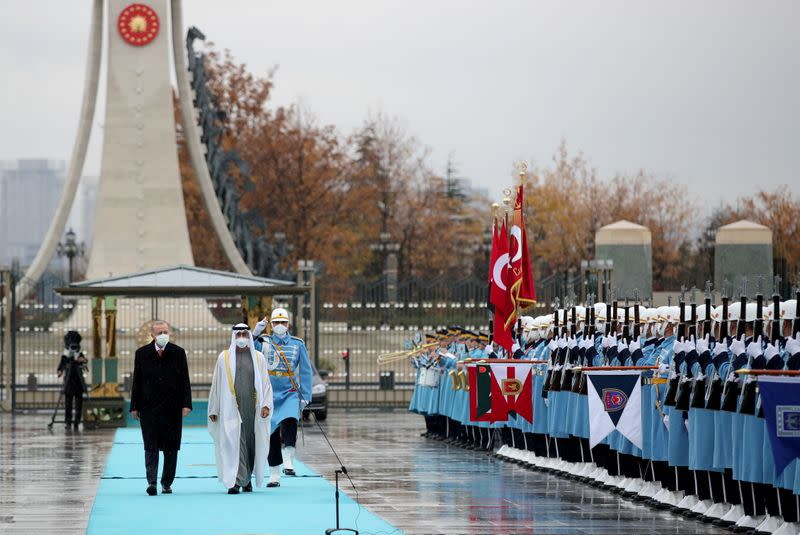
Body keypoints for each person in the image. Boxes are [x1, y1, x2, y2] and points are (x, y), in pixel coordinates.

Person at [129, 320, 193, 496]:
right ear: (152, 335)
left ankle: (166, 482)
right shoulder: (141, 354)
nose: (163, 335)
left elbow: (185, 380)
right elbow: (137, 382)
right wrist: (134, 406)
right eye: (159, 333)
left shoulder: (178, 353)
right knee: (151, 446)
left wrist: (187, 403)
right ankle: (152, 481)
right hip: (148, 408)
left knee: (171, 447)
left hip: (172, 408)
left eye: (165, 332)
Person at [208, 324, 273, 494]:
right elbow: (216, 384)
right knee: (235, 440)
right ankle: (237, 480)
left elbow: (266, 384)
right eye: (239, 334)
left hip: (253, 407)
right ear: (234, 336)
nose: (242, 337)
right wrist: (214, 409)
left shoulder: (258, 358)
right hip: (231, 407)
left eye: (245, 334)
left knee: (251, 443)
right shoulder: (224, 358)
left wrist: (266, 405)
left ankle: (247, 478)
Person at [253, 308, 312, 488]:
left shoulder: (297, 344)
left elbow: (306, 371)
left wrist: (306, 396)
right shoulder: (264, 342)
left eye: (283, 323)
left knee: (290, 420)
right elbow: (246, 348)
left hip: (289, 392)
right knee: (269, 434)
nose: (280, 326)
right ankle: (274, 474)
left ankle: (289, 457)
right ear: (271, 325)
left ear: (288, 324)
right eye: (276, 323)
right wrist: (254, 334)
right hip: (269, 393)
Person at [57, 331, 87, 429]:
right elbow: (62, 364)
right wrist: (60, 370)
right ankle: (68, 422)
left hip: (78, 381)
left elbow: (85, 363)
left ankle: (77, 421)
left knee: (79, 403)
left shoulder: (80, 353)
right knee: (68, 403)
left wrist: (81, 360)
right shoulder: (65, 355)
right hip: (69, 381)